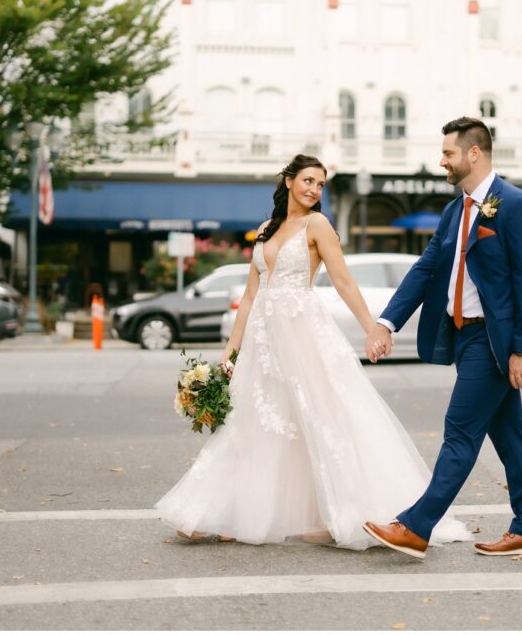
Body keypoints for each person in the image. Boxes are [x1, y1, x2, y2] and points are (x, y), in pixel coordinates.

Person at [154, 154, 472, 550]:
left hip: (302, 333)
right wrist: (231, 349)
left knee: (321, 418)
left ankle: (342, 514)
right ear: (288, 181)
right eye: (307, 180)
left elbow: (343, 282)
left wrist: (372, 327)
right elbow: (252, 295)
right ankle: (225, 513)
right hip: (263, 339)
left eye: (320, 184)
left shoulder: (317, 224)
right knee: (251, 423)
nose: (313, 189)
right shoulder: (266, 229)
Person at [363, 117, 522, 559]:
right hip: (464, 337)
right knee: (510, 437)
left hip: (494, 341)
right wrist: (387, 322)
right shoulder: (455, 210)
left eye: (448, 153)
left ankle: (415, 526)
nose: (441, 160)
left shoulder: (517, 205)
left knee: (460, 433)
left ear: (474, 153)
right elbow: (427, 269)